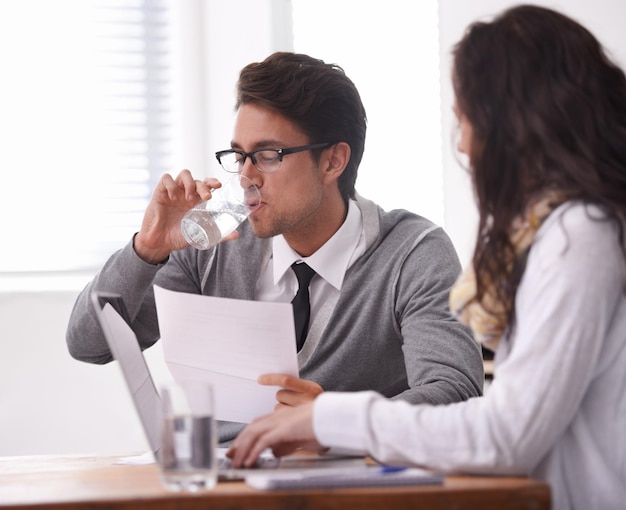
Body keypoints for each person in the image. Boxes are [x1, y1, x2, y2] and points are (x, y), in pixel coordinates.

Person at [226, 6, 626, 510]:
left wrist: (327, 419)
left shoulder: (580, 234)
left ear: (514, 124)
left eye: (466, 121)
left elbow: (505, 432)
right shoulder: (567, 231)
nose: (462, 143)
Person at [66, 51, 484, 444]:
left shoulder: (412, 253)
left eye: (267, 155)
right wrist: (148, 248)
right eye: (238, 155)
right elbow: (89, 345)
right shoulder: (212, 244)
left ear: (333, 161)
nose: (246, 176)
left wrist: (332, 423)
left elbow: (456, 394)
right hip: (225, 487)